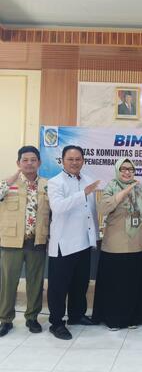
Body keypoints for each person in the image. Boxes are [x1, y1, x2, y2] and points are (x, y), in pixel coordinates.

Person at [92, 158, 142, 330]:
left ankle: (134, 317)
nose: (127, 172)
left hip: (137, 244)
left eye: (130, 169)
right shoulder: (111, 187)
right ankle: (113, 319)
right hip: (114, 245)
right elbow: (103, 208)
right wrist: (125, 191)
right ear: (117, 170)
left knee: (133, 284)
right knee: (114, 285)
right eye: (123, 169)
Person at [47, 145, 100, 340]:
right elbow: (58, 207)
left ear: (83, 160)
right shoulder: (55, 182)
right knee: (59, 287)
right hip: (64, 244)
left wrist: (95, 236)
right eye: (70, 159)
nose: (75, 162)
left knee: (80, 284)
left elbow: (91, 211)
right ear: (62, 160)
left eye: (78, 159)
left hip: (84, 242)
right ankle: (56, 323)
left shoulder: (87, 180)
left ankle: (76, 315)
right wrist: (82, 194)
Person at [0, 146, 49, 337]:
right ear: (18, 163)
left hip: (37, 241)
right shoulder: (8, 184)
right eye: (25, 160)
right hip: (11, 242)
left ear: (39, 163)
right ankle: (5, 319)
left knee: (35, 282)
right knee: (8, 282)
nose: (29, 163)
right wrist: (13, 177)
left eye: (33, 160)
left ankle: (32, 317)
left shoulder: (47, 185)